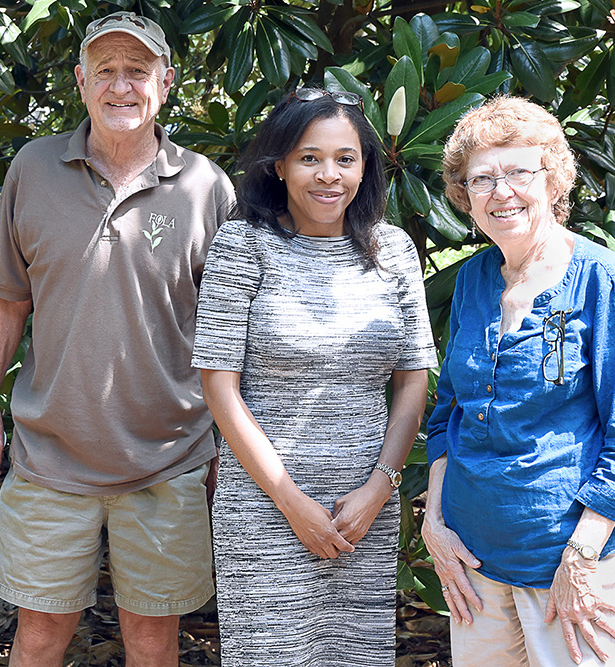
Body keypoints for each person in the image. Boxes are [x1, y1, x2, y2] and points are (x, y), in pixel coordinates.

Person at [0, 11, 235, 667]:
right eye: (106, 71)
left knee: (151, 639)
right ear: (81, 82)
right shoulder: (32, 169)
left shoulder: (207, 187)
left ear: (165, 83)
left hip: (170, 459)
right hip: (48, 456)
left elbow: (231, 333)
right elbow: (7, 302)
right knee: (38, 636)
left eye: (137, 71)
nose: (121, 87)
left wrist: (230, 443)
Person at [191, 88, 438, 665]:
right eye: (309, 158)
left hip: (363, 510)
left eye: (345, 158)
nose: (330, 176)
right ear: (279, 166)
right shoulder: (244, 245)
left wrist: (381, 486)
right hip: (264, 509)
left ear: (365, 166)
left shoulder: (393, 250)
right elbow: (218, 387)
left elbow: (412, 377)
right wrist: (291, 502)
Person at [421, 95, 615, 667]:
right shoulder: (475, 279)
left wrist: (580, 556)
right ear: (465, 196)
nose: (501, 191)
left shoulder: (601, 277)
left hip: (571, 560)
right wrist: (434, 521)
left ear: (553, 180)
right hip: (472, 560)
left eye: (519, 172)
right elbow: (446, 416)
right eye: (482, 179)